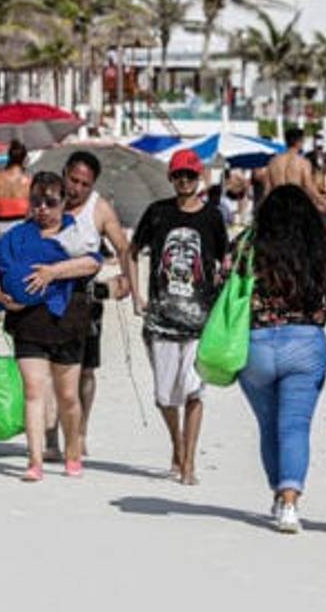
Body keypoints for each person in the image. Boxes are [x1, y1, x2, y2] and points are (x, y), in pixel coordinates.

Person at [239, 185, 326, 533]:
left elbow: (221, 283)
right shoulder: (319, 248)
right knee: (295, 426)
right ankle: (289, 503)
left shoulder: (248, 243)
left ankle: (278, 492)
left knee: (269, 426)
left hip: (255, 344)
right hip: (305, 344)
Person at [0, 172, 102, 481]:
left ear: (64, 204)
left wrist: (53, 272)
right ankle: (34, 461)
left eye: (50, 202)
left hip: (67, 320)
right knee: (33, 391)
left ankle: (73, 450)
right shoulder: (16, 235)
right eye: (37, 202)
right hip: (27, 322)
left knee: (68, 396)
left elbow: (93, 262)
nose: (43, 208)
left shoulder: (76, 233)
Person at [128, 149, 228, 485]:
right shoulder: (158, 213)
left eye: (190, 175)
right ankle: (177, 442)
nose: (184, 181)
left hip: (202, 322)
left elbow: (223, 263)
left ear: (199, 178)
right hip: (160, 319)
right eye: (178, 175)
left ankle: (189, 462)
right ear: (171, 178)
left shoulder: (213, 217)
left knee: (194, 391)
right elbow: (131, 252)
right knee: (163, 395)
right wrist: (135, 294)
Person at [45, 151, 133, 458]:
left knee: (84, 370)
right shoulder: (48, 199)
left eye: (85, 183)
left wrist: (128, 281)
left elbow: (123, 247)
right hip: (49, 289)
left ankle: (79, 432)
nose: (77, 188)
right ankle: (50, 439)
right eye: (73, 179)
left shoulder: (100, 209)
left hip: (86, 295)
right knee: (48, 369)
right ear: (64, 173)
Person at [260, 127, 326, 211]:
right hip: (295, 203)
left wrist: (262, 207)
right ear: (299, 142)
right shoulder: (303, 162)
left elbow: (267, 189)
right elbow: (309, 186)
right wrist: (324, 202)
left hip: (277, 203)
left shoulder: (273, 162)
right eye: (303, 141)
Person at [0, 140, 31, 239]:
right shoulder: (28, 180)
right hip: (20, 222)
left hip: (0, 223)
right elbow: (31, 205)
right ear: (23, 159)